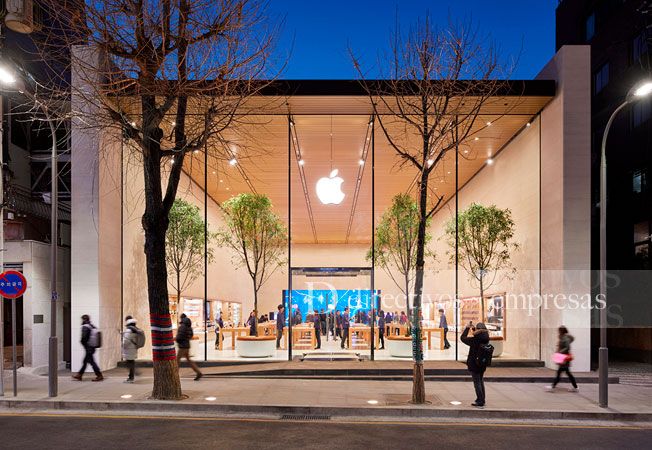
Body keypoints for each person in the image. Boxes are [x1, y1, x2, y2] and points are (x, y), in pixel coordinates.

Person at [461, 321, 490, 407]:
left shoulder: (475, 340)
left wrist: (467, 328)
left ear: (477, 330)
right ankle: (482, 399)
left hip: (474, 364)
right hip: (482, 364)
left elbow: (463, 338)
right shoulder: (486, 338)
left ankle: (480, 400)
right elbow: (477, 334)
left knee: (477, 383)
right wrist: (474, 329)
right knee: (481, 381)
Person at [547, 326, 578, 392]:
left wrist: (560, 352)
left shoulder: (565, 338)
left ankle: (553, 386)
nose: (558, 332)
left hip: (564, 358)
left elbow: (567, 347)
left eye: (559, 330)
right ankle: (575, 387)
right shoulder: (563, 337)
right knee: (566, 373)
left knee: (561, 373)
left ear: (562, 331)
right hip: (563, 358)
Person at [72, 315, 104, 381]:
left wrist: (83, 343)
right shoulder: (92, 326)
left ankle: (99, 375)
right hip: (92, 347)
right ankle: (79, 375)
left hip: (88, 347)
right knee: (85, 361)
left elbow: (84, 337)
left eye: (82, 319)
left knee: (91, 362)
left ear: (84, 319)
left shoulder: (85, 327)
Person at [176, 314, 202, 381]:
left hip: (182, 346)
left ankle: (174, 375)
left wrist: (177, 340)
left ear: (181, 318)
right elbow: (191, 335)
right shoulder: (189, 326)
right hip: (187, 345)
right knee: (189, 360)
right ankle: (198, 372)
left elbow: (179, 336)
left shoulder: (182, 327)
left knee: (177, 360)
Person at [121, 316, 142, 383]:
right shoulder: (135, 329)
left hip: (129, 349)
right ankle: (132, 375)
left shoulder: (129, 330)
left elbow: (126, 341)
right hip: (133, 348)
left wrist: (122, 345)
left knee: (128, 363)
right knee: (131, 362)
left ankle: (131, 377)